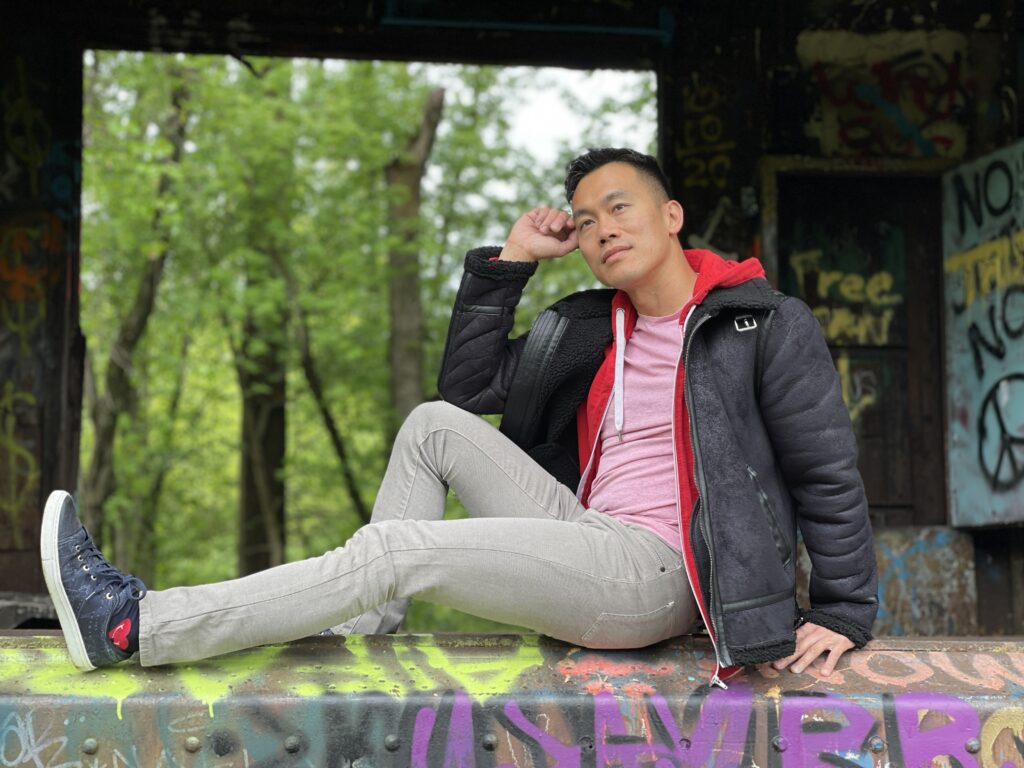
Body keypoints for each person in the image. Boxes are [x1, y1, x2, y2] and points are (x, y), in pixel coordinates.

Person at [41, 148, 876, 685]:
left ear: (669, 216)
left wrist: (841, 610)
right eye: (586, 221)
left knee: (398, 549)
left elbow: (824, 467)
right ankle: (363, 620)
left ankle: (131, 623)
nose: (602, 229)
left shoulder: (758, 322)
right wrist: (512, 260)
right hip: (588, 530)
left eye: (620, 207)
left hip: (661, 575)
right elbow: (470, 386)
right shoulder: (596, 329)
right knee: (432, 424)